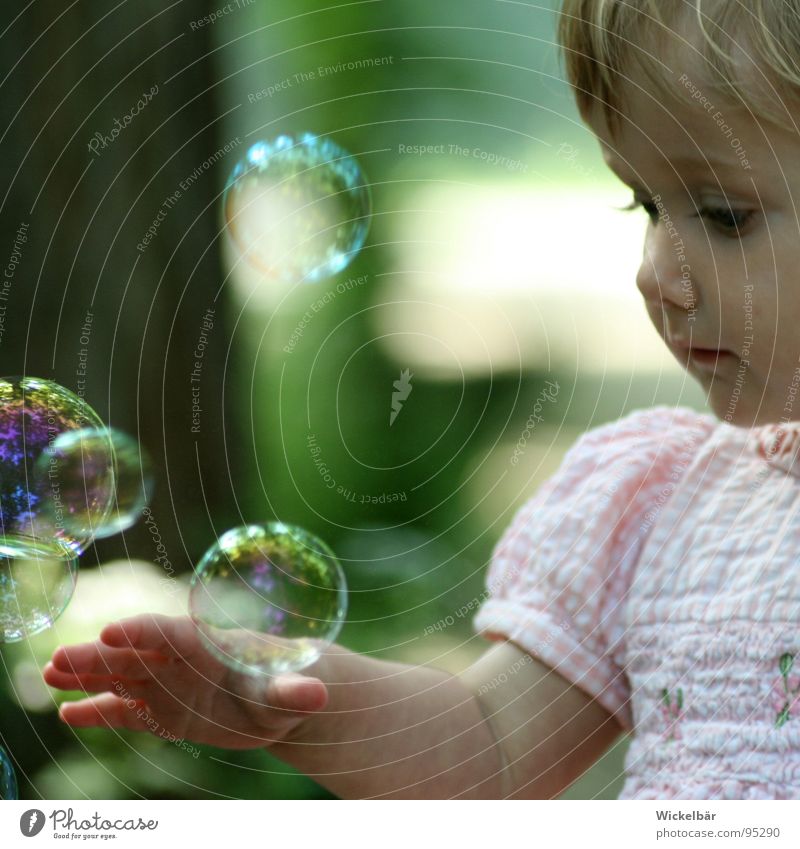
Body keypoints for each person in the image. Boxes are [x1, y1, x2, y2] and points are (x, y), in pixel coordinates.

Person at [44, 0, 800, 799]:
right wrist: (294, 702)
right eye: (646, 203)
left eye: (724, 214)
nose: (655, 272)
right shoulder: (659, 508)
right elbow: (492, 745)